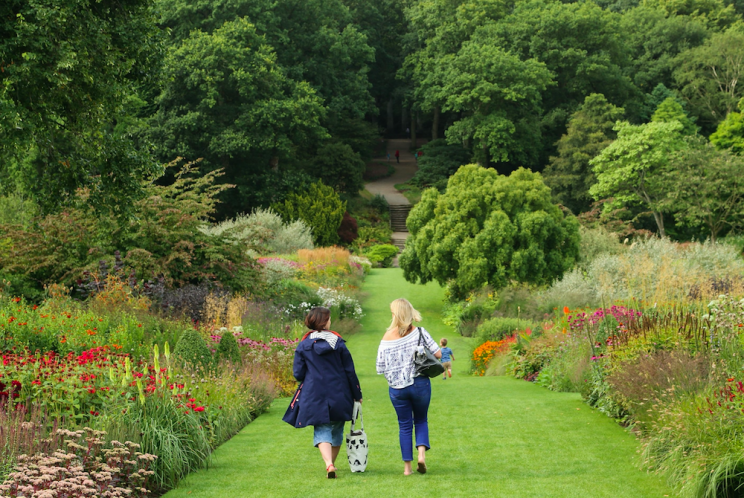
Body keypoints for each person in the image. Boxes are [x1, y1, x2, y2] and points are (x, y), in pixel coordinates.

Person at [283, 307, 363, 479]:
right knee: (336, 428)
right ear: (324, 322)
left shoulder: (304, 345)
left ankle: (329, 464)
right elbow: (350, 371)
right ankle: (331, 463)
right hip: (340, 392)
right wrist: (357, 394)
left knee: (322, 428)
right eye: (329, 318)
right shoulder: (339, 343)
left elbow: (298, 373)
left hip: (314, 393)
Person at [376, 298, 441, 475]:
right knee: (421, 419)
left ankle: (407, 468)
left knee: (404, 425)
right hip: (420, 383)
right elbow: (438, 353)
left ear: (395, 315)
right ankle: (421, 455)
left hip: (397, 388)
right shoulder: (420, 332)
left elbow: (379, 367)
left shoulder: (386, 338)